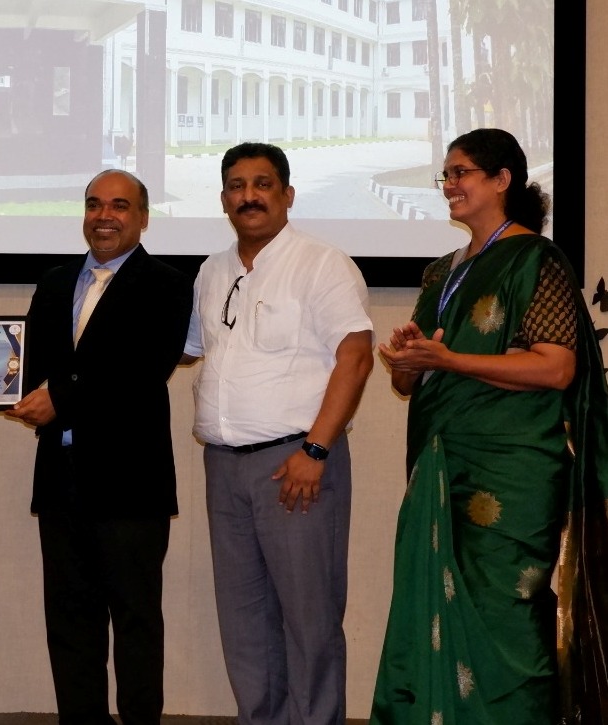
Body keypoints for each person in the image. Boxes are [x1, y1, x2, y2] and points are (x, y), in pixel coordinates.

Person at [371, 128, 608, 724]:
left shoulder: (537, 260)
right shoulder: (440, 273)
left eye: (461, 173)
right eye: (445, 175)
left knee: (508, 610)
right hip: (442, 461)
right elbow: (412, 382)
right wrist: (408, 361)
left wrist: (450, 360)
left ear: (502, 180)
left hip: (512, 468)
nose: (449, 185)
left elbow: (556, 367)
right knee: (433, 604)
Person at [180, 142, 373, 725]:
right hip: (224, 465)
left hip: (296, 463)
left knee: (309, 619)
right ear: (223, 200)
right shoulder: (212, 271)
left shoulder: (321, 263)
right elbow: (188, 350)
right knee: (244, 621)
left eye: (262, 184)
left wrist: (316, 448)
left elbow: (356, 357)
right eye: (237, 186)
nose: (249, 196)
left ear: (287, 195)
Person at [6, 169, 192, 724]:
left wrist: (60, 397)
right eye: (93, 204)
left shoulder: (167, 284)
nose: (103, 216)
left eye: (119, 205)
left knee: (136, 623)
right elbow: (30, 365)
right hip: (60, 480)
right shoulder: (56, 281)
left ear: (143, 217)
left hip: (130, 483)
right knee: (69, 624)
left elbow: (142, 369)